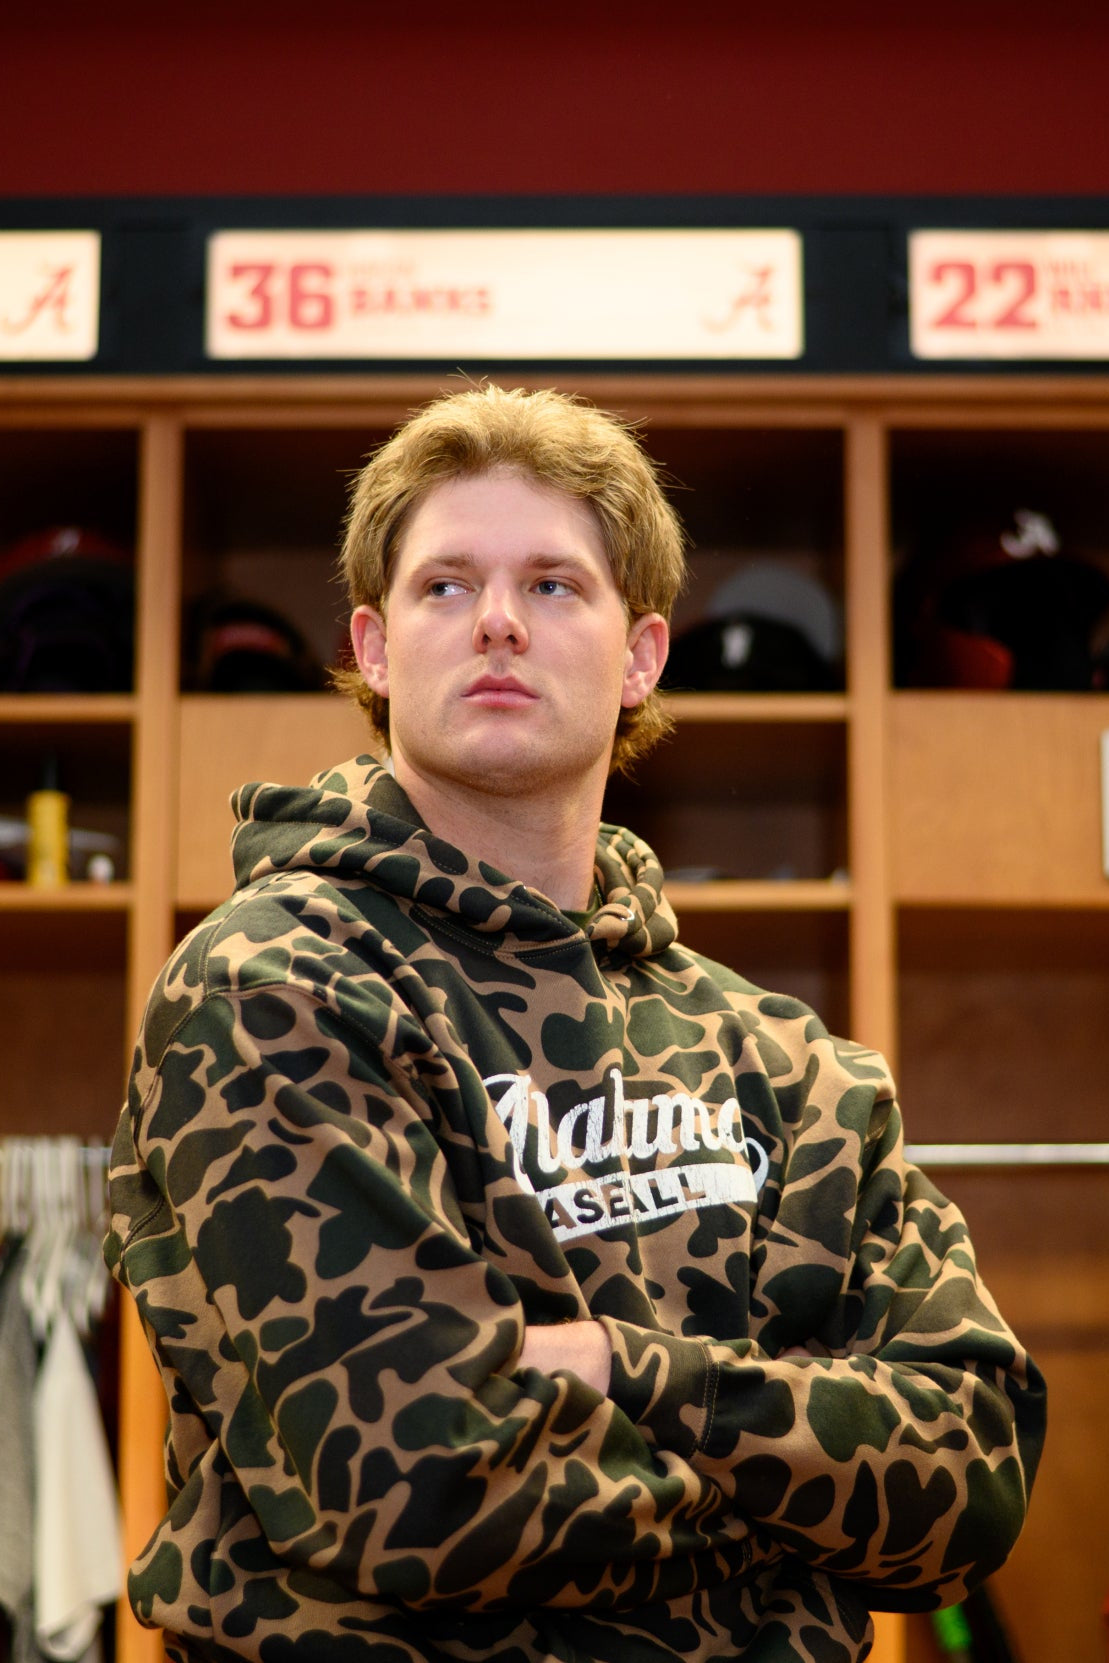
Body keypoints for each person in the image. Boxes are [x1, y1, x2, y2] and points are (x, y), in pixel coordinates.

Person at [105, 384, 1045, 1663]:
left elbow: (974, 1471)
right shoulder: (275, 984)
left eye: (552, 585)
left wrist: (612, 1366)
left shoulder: (783, 1061)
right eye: (445, 585)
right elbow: (417, 1487)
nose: (496, 620)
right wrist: (800, 1516)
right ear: (373, 648)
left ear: (641, 654)